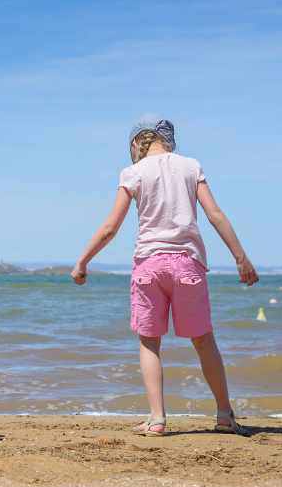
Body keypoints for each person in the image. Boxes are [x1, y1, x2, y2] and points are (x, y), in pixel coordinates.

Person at [70, 118, 259, 436]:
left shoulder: (133, 172)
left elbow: (110, 227)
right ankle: (224, 414)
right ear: (169, 141)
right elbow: (215, 214)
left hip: (149, 266)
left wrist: (82, 262)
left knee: (149, 343)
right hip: (188, 265)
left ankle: (157, 419)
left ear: (136, 144)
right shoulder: (190, 166)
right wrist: (241, 259)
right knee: (203, 340)